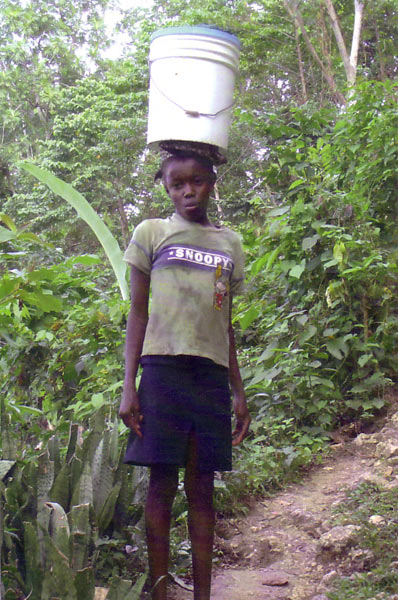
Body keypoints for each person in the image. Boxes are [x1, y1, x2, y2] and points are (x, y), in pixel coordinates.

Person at [119, 151, 251, 600]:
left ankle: (202, 596)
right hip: (162, 370)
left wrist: (239, 390)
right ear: (166, 188)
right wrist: (128, 387)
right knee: (161, 485)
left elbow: (224, 322)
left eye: (196, 181)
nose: (187, 191)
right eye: (177, 184)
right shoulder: (152, 233)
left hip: (209, 376)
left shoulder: (229, 243)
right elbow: (137, 313)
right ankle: (160, 593)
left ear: (212, 181)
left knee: (201, 489)